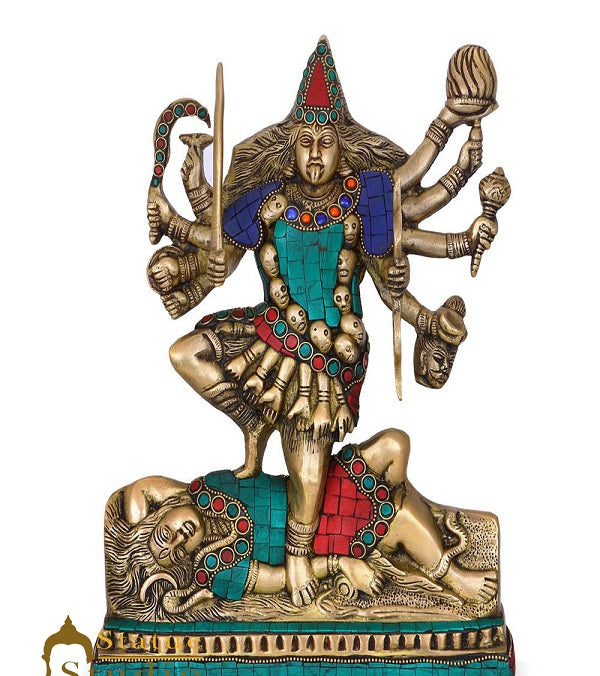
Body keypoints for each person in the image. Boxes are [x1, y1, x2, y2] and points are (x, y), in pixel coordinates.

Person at [145, 37, 496, 606]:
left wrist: (450, 125)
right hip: (268, 335)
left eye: (326, 142)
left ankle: (299, 557)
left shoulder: (362, 199)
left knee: (309, 474)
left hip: (327, 358)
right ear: (290, 147)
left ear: (342, 147)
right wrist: (180, 218)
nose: (314, 153)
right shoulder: (268, 200)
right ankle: (255, 421)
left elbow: (412, 191)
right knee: (185, 353)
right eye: (305, 141)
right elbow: (217, 244)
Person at [104, 429, 497, 619]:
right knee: (403, 515)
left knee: (396, 443)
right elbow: (281, 579)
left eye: (165, 533)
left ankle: (407, 520)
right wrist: (342, 564)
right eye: (177, 553)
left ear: (162, 512)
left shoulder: (199, 491)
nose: (180, 539)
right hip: (324, 537)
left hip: (315, 484)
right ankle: (452, 575)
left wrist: (137, 527)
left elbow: (138, 491)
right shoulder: (220, 571)